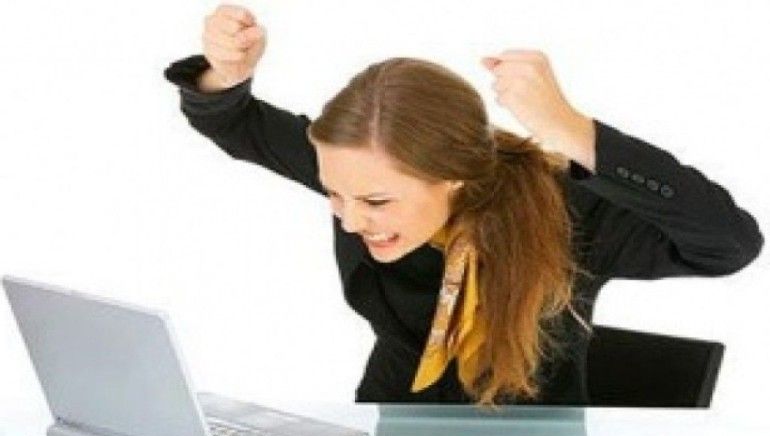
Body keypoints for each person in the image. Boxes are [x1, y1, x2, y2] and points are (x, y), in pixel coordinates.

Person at [164, 4, 763, 405]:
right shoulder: (354, 169)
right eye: (335, 194)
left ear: (451, 177)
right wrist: (226, 73)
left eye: (376, 201)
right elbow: (234, 122)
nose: (349, 218)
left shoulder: (566, 213)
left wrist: (577, 133)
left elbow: (729, 245)